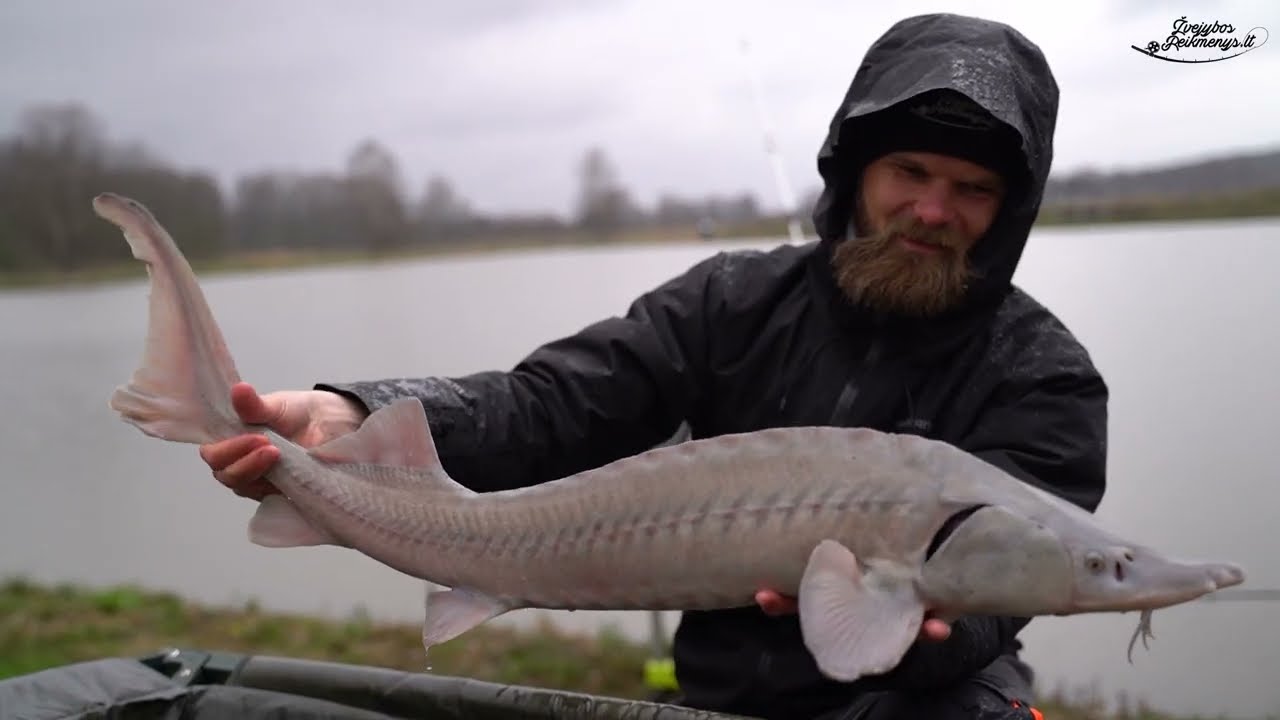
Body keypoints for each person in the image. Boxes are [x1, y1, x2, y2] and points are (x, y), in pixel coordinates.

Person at [198, 12, 1107, 720]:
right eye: (909, 171)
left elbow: (1004, 595)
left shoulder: (1043, 375)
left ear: (1010, 208)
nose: (933, 210)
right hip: (724, 691)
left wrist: (914, 634)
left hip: (928, 701)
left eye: (973, 189)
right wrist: (361, 415)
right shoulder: (730, 303)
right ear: (856, 172)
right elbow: (552, 406)